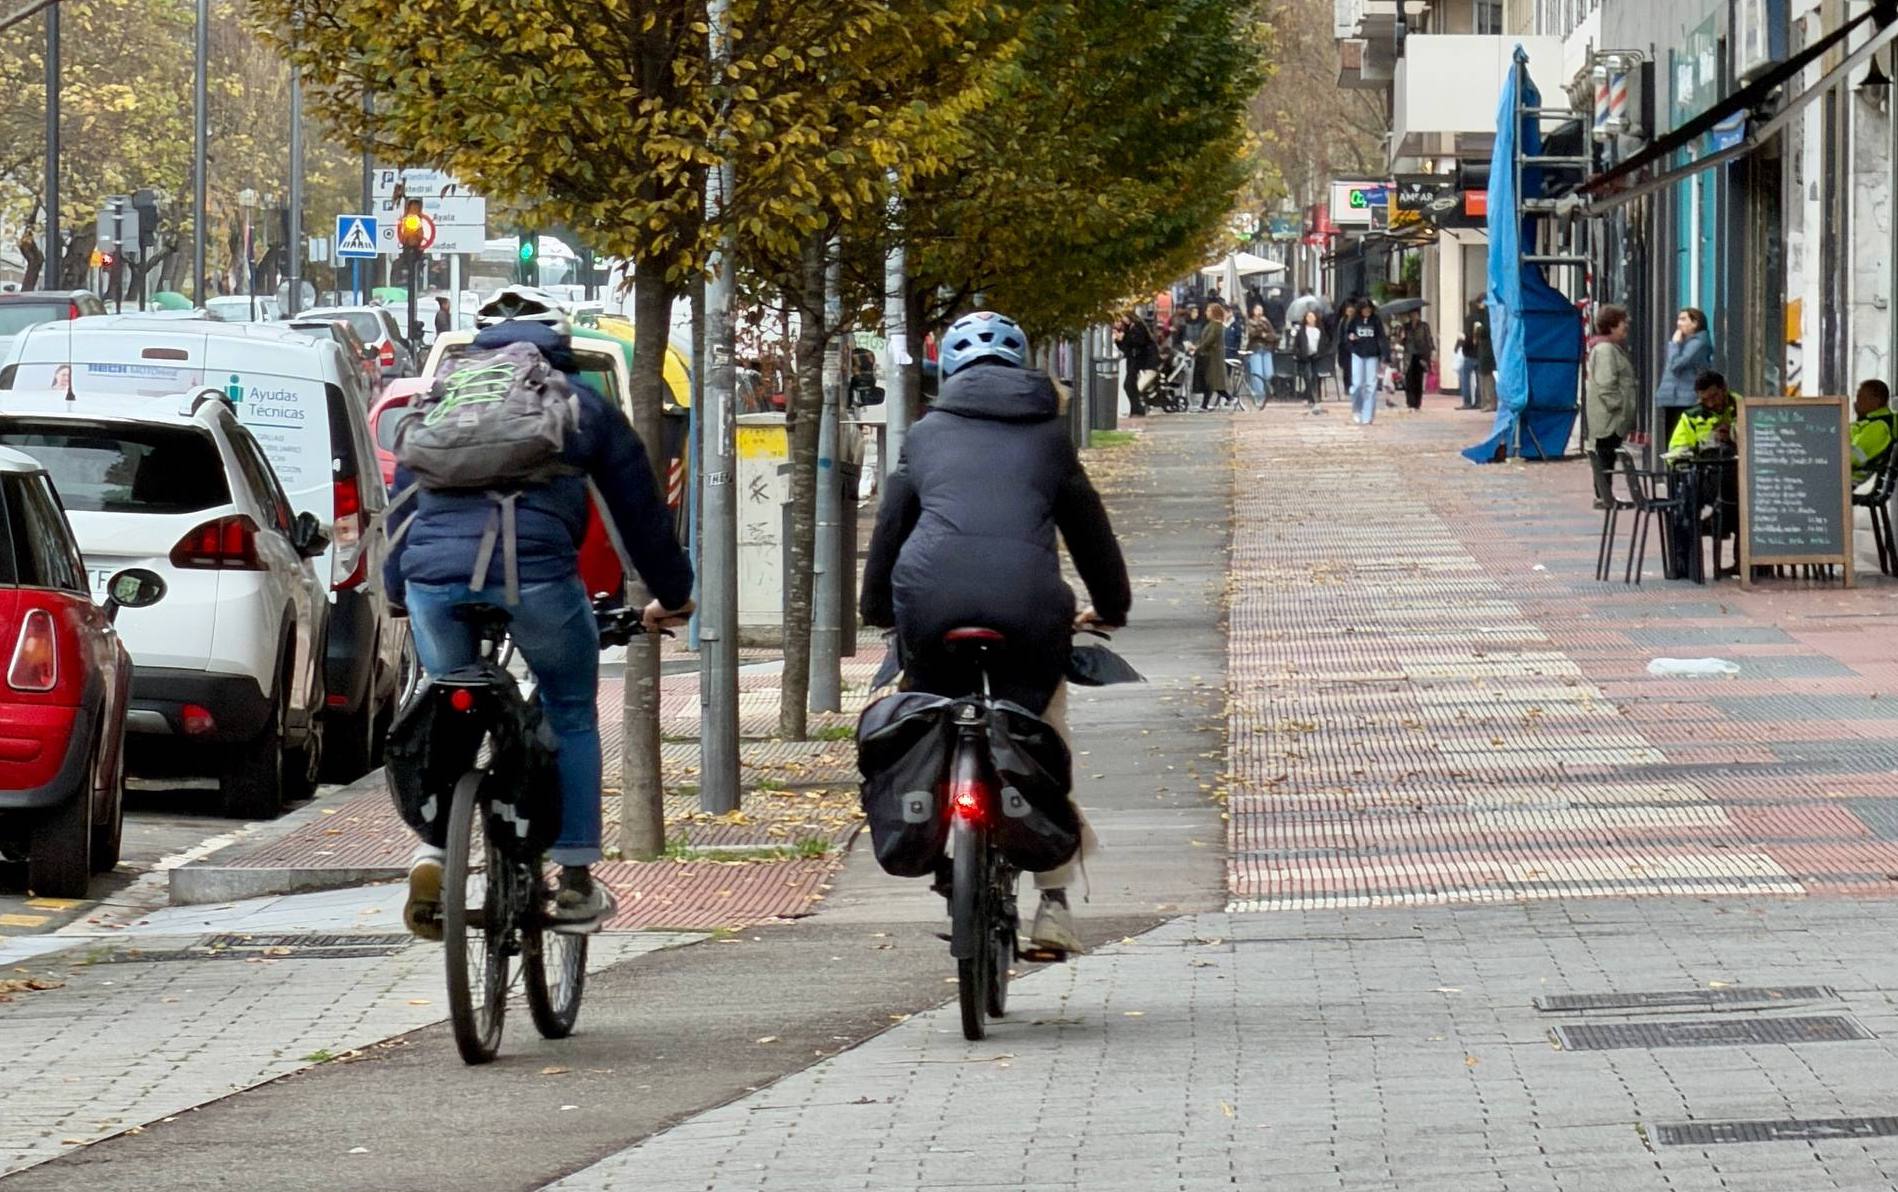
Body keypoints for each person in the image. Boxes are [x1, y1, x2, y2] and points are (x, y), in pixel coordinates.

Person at [387, 285, 696, 938]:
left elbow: (403, 509)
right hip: (536, 581)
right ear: (559, 345)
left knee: (450, 698)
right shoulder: (580, 404)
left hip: (433, 581)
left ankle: (435, 852)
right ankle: (576, 879)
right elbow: (639, 511)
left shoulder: (442, 400)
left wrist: (396, 588)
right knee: (570, 708)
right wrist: (673, 592)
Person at [859, 310, 1132, 956]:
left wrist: (878, 611)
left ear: (950, 374)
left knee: (926, 710)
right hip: (1028, 608)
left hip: (930, 605)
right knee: (1041, 729)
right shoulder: (1049, 438)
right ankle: (1055, 902)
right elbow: (1089, 532)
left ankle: (933, 832)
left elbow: (891, 528)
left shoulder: (924, 435)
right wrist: (1111, 607)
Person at [1584, 305, 1637, 507]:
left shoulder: (1608, 348)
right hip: (1609, 418)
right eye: (1623, 322)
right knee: (1605, 456)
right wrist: (1620, 407)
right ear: (1612, 325)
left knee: (1606, 456)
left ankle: (1605, 496)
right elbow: (1606, 383)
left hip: (1609, 417)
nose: (1626, 326)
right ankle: (1604, 497)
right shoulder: (1606, 350)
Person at [1655, 307, 1714, 448]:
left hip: (1685, 399)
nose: (1678, 323)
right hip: (1675, 398)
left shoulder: (1698, 344)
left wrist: (1675, 344)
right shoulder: (1687, 342)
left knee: (1679, 440)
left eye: (1683, 319)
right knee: (1672, 439)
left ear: (1695, 323)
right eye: (1678, 319)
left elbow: (1676, 365)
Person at [1337, 298, 1388, 425]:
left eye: (1369, 309)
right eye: (1365, 309)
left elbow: (1381, 337)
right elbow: (1347, 336)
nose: (1367, 311)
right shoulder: (1354, 320)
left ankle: (1367, 415)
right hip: (1357, 354)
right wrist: (1351, 343)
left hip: (1372, 355)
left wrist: (1384, 355)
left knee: (1371, 385)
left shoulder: (1376, 320)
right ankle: (1357, 409)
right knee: (1357, 384)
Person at [1666, 370, 1736, 458]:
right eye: (1704, 400)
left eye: (1714, 396)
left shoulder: (1742, 407)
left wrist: (1733, 435)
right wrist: (1705, 445)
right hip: (1704, 465)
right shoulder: (1692, 417)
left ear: (1724, 389)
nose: (1710, 404)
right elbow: (1674, 452)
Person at [1851, 379, 1897, 488]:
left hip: (1850, 477)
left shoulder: (1879, 427)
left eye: (1861, 398)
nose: (1856, 403)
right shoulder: (1871, 422)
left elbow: (1856, 457)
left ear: (1876, 401)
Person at [1114, 312, 1158, 418]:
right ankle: (1136, 408)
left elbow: (1138, 342)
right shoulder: (1128, 330)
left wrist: (1123, 339)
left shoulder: (1137, 328)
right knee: (1130, 385)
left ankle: (1137, 408)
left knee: (1130, 385)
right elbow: (1126, 347)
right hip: (1134, 361)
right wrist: (1119, 341)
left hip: (1142, 361)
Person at [1195, 302, 1233, 411]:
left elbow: (1209, 340)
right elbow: (1204, 339)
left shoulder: (1217, 325)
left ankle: (1206, 405)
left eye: (1208, 311)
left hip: (1214, 358)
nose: (1206, 313)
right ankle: (1227, 399)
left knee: (1212, 382)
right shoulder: (1211, 324)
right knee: (1212, 382)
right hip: (1209, 357)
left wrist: (1198, 349)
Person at [1291, 309, 1330, 413]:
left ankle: (1316, 397)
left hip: (1317, 356)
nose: (1311, 319)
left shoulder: (1320, 330)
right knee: (1308, 376)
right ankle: (1310, 397)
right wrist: (1299, 353)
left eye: (1312, 317)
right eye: (1308, 317)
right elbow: (1296, 345)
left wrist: (1321, 353)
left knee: (1316, 377)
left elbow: (1325, 343)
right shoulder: (1301, 330)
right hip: (1305, 357)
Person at [1244, 302, 1277, 407]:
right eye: (1257, 309)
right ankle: (1259, 396)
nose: (1259, 312)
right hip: (1255, 349)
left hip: (1266, 349)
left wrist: (1264, 334)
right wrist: (1262, 330)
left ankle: (1267, 394)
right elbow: (1253, 334)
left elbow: (1273, 336)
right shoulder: (1249, 322)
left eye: (1261, 310)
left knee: (1268, 373)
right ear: (1253, 311)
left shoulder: (1266, 321)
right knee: (1257, 373)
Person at [1401, 311, 1434, 412]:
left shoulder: (1424, 326)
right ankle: (1410, 402)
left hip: (1420, 355)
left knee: (1418, 379)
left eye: (1415, 314)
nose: (1414, 316)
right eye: (1412, 314)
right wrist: (1402, 337)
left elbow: (1428, 338)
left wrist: (1431, 351)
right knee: (1409, 379)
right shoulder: (1406, 326)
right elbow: (1402, 341)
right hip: (1409, 355)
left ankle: (1417, 403)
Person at [1457, 299, 1483, 409]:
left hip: (1469, 353)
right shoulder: (1483, 318)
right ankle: (1478, 401)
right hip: (1480, 353)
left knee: (1465, 378)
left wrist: (1463, 347)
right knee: (1479, 379)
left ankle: (1467, 402)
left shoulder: (1469, 318)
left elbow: (1467, 335)